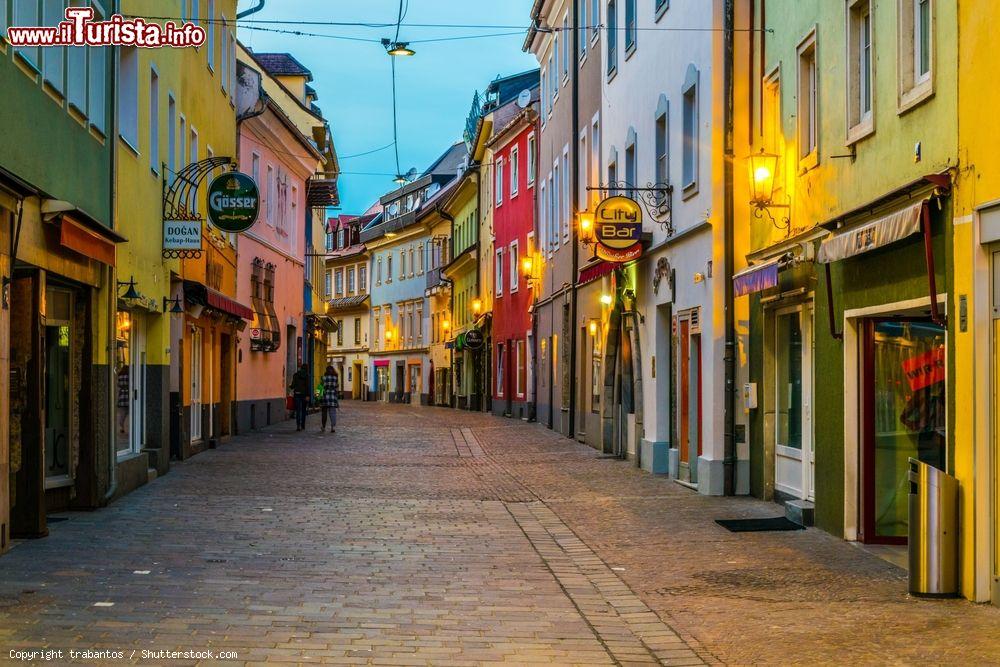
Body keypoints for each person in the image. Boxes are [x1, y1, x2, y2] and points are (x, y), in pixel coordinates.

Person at [289, 364, 311, 431]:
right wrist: (308, 395)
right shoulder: (307, 376)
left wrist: (290, 386)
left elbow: (293, 385)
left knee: (298, 410)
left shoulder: (295, 375)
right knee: (303, 410)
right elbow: (307, 386)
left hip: (297, 394)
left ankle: (298, 425)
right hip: (304, 394)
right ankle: (303, 425)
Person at [319, 365, 340, 433]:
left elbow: (320, 387)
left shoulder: (323, 378)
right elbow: (337, 387)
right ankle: (333, 427)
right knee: (333, 412)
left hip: (325, 396)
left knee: (324, 413)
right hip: (333, 396)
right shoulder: (335, 378)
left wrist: (317, 396)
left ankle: (323, 426)